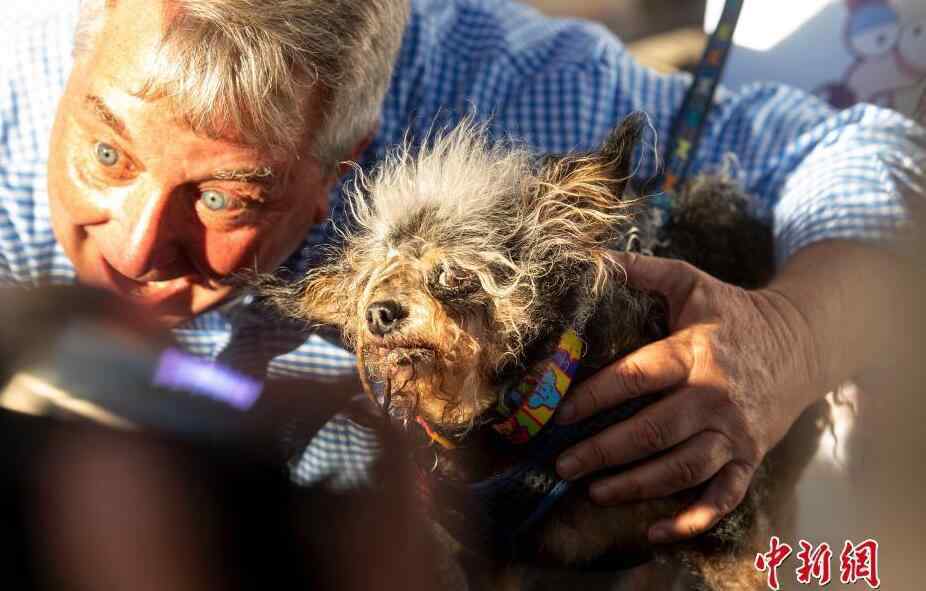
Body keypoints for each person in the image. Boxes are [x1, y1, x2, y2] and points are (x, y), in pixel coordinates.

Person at [1, 0, 922, 547]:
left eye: (226, 198)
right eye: (106, 155)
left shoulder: (491, 92)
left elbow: (855, 146)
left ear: (348, 158)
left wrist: (792, 336)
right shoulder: (15, 75)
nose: (128, 246)